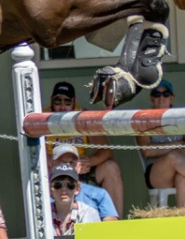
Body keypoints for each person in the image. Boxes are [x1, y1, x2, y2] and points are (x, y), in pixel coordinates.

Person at [46, 82, 125, 216]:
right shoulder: (42, 119)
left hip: (81, 170)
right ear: (51, 101)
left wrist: (89, 161)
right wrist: (59, 165)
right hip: (54, 172)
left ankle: (115, 222)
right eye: (58, 101)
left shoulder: (83, 117)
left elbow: (106, 151)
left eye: (67, 101)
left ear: (74, 101)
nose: (62, 106)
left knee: (111, 167)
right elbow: (34, 155)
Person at [49, 145, 118, 221]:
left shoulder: (99, 194)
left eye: (72, 163)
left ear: (79, 166)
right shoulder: (42, 197)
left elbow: (111, 226)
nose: (67, 167)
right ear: (52, 165)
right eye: (62, 163)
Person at [48, 161, 100, 235]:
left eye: (70, 185)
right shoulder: (42, 215)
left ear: (77, 189)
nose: (64, 189)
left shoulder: (89, 213)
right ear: (50, 189)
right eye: (58, 185)